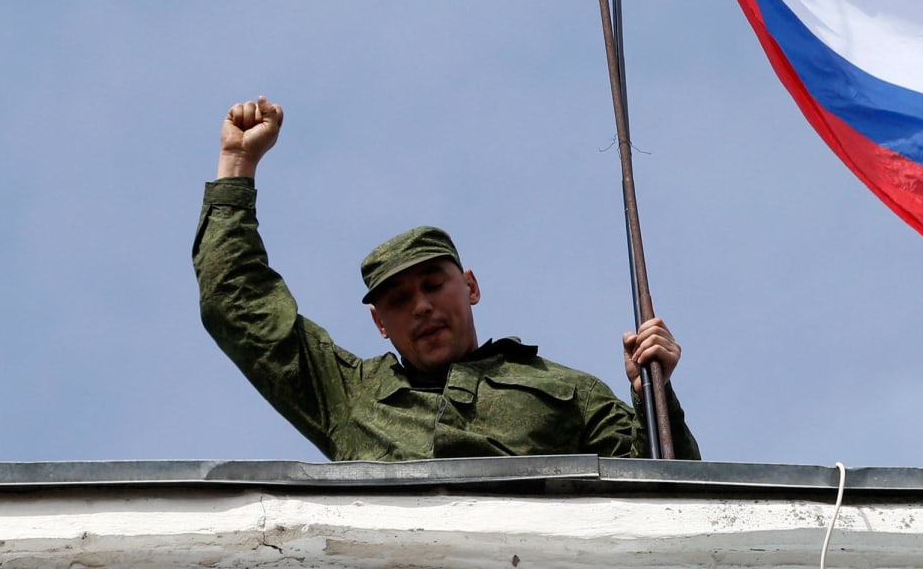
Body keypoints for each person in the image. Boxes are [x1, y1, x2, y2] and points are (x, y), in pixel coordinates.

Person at [194, 96, 700, 461]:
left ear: (471, 288)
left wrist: (651, 393)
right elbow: (239, 308)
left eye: (434, 285)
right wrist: (237, 164)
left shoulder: (569, 390)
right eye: (398, 299)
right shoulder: (349, 395)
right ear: (380, 323)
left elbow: (663, 498)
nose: (420, 307)